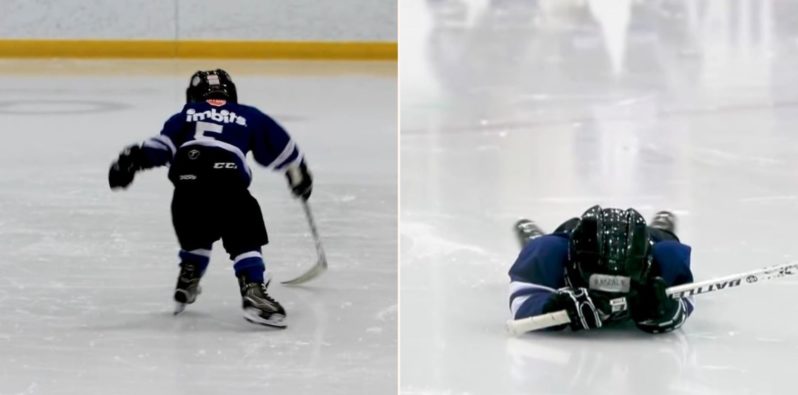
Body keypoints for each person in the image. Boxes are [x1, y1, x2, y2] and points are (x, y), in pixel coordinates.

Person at [108, 69, 312, 328]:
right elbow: (284, 150)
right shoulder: (248, 114)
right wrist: (298, 174)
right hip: (227, 181)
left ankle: (189, 274)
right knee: (243, 235)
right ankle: (253, 290)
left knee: (195, 231)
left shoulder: (184, 115)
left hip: (186, 184)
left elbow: (159, 147)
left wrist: (130, 161)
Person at [509, 206, 694, 334]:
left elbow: (684, 299)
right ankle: (533, 237)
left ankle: (658, 229)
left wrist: (666, 308)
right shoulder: (550, 251)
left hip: (655, 240)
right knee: (537, 244)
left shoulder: (666, 255)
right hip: (564, 236)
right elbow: (522, 300)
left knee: (663, 237)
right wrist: (556, 304)